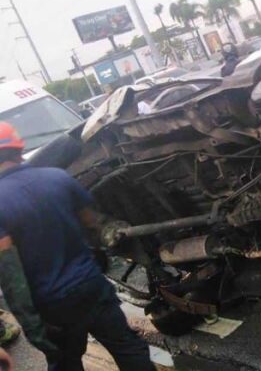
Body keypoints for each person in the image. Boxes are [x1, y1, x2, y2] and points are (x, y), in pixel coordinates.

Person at [0, 122, 155, 370]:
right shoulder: (57, 177)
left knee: (65, 363)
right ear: (19, 150)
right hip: (92, 286)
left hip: (53, 306)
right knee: (128, 348)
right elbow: (95, 224)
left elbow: (11, 277)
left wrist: (33, 327)